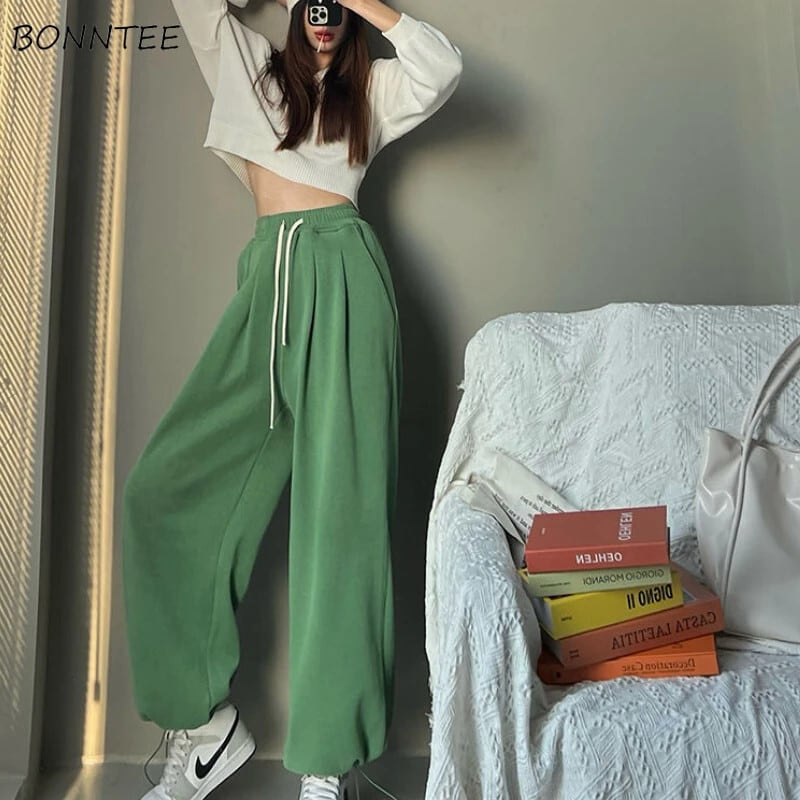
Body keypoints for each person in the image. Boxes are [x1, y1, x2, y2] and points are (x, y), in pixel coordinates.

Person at [121, 0, 462, 798]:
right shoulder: (247, 66)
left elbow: (443, 66)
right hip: (267, 283)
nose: (323, 15)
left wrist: (366, 1)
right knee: (161, 492)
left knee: (340, 520)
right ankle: (208, 732)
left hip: (346, 280)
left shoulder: (372, 90)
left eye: (337, 8)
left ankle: (326, 762)